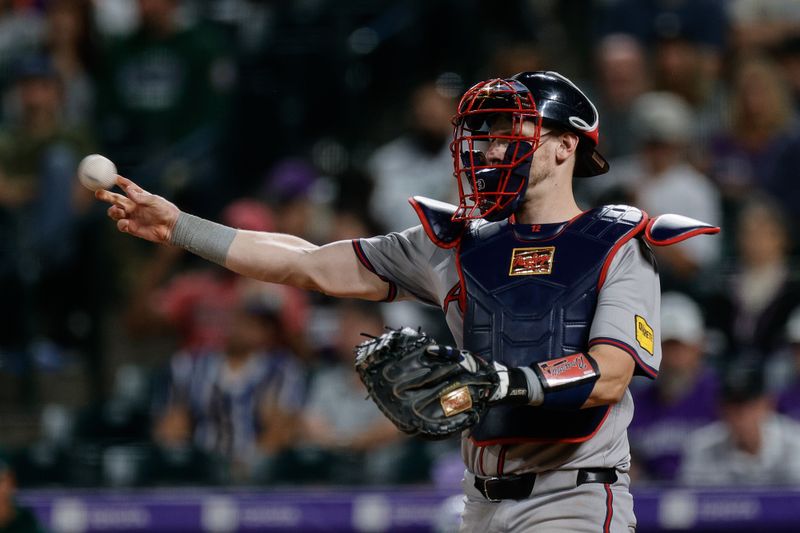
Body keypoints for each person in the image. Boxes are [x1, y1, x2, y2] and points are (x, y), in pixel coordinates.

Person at [96, 71, 719, 532]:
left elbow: (611, 376)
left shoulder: (619, 242)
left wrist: (503, 379)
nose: (491, 147)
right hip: (480, 502)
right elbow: (305, 261)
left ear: (565, 146)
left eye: (511, 132)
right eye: (485, 132)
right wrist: (181, 227)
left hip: (575, 498)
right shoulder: (454, 244)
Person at [627, 292, 720, 483]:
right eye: (664, 348)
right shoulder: (634, 404)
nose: (671, 359)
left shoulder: (719, 397)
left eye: (679, 348)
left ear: (698, 348)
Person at [678, 363, 800, 486]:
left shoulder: (795, 441)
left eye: (750, 404)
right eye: (733, 405)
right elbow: (690, 499)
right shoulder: (701, 446)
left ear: (767, 404)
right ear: (721, 409)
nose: (742, 413)